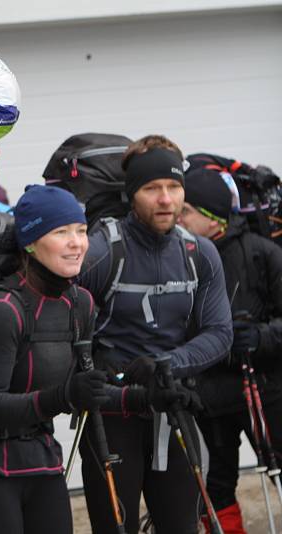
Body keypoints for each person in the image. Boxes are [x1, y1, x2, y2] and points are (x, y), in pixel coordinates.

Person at [77, 135, 233, 533]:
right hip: (113, 418)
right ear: (132, 195)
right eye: (152, 189)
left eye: (174, 187)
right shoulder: (101, 251)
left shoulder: (199, 252)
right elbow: (67, 331)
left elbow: (219, 333)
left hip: (171, 408)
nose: (165, 199)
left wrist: (165, 366)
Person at [0, 185, 108, 533]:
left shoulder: (81, 305)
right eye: (61, 232)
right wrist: (63, 396)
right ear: (30, 241)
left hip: (43, 460)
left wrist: (143, 392)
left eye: (81, 230)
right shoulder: (1, 309)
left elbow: (84, 390)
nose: (77, 242)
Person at [179, 167, 282, 533]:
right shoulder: (177, 257)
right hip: (208, 398)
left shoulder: (263, 253)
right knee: (215, 486)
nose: (177, 217)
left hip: (264, 389)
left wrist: (259, 336)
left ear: (213, 217)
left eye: (187, 210)